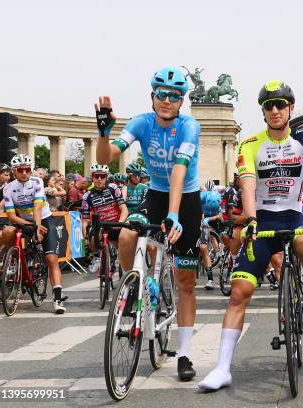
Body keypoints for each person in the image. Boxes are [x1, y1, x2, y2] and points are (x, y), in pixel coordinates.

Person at [198, 79, 303, 391]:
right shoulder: (250, 143)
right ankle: (223, 368)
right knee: (239, 292)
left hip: (294, 214)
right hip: (263, 217)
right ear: (264, 112)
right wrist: (251, 219)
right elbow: (248, 184)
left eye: (281, 104)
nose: (275, 110)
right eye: (269, 105)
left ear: (291, 108)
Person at [95, 66, 202, 381]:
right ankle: (133, 290)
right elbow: (109, 155)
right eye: (161, 95)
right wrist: (103, 133)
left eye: (174, 96)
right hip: (155, 194)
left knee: (186, 281)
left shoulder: (189, 125)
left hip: (187, 199)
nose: (167, 100)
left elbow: (180, 170)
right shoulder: (141, 122)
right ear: (152, 96)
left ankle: (183, 354)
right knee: (128, 235)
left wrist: (174, 214)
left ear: (181, 101)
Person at [0, 154, 67, 313]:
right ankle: (13, 261)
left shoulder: (36, 182)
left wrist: (37, 227)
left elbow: (37, 208)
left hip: (44, 219)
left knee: (51, 258)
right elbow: (11, 215)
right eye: (20, 170)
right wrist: (31, 226)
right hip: (24, 222)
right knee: (8, 231)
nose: (24, 173)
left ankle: (57, 299)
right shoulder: (8, 188)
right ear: (14, 171)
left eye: (27, 169)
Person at [81, 164, 128, 261]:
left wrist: (120, 223)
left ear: (106, 177)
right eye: (96, 176)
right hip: (101, 225)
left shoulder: (113, 188)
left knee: (123, 249)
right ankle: (97, 258)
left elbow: (124, 209)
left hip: (116, 222)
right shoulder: (87, 195)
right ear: (92, 178)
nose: (99, 179)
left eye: (102, 176)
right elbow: (85, 220)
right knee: (92, 242)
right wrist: (85, 239)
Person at [200, 188, 223, 289]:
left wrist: (209, 219)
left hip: (212, 218)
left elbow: (221, 215)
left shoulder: (219, 198)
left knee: (204, 247)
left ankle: (210, 279)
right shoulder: (201, 197)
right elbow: (198, 212)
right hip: (200, 216)